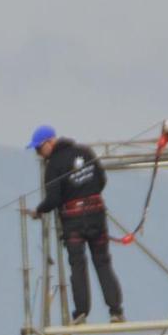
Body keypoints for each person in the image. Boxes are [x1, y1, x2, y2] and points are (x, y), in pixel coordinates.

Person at [25, 126, 125, 325]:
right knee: (103, 262)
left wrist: (39, 211)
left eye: (39, 148)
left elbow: (53, 198)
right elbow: (102, 179)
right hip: (96, 214)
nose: (38, 154)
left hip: (73, 221)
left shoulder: (53, 165)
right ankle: (116, 311)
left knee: (78, 265)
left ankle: (81, 313)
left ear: (50, 142)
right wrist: (87, 193)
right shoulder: (85, 151)